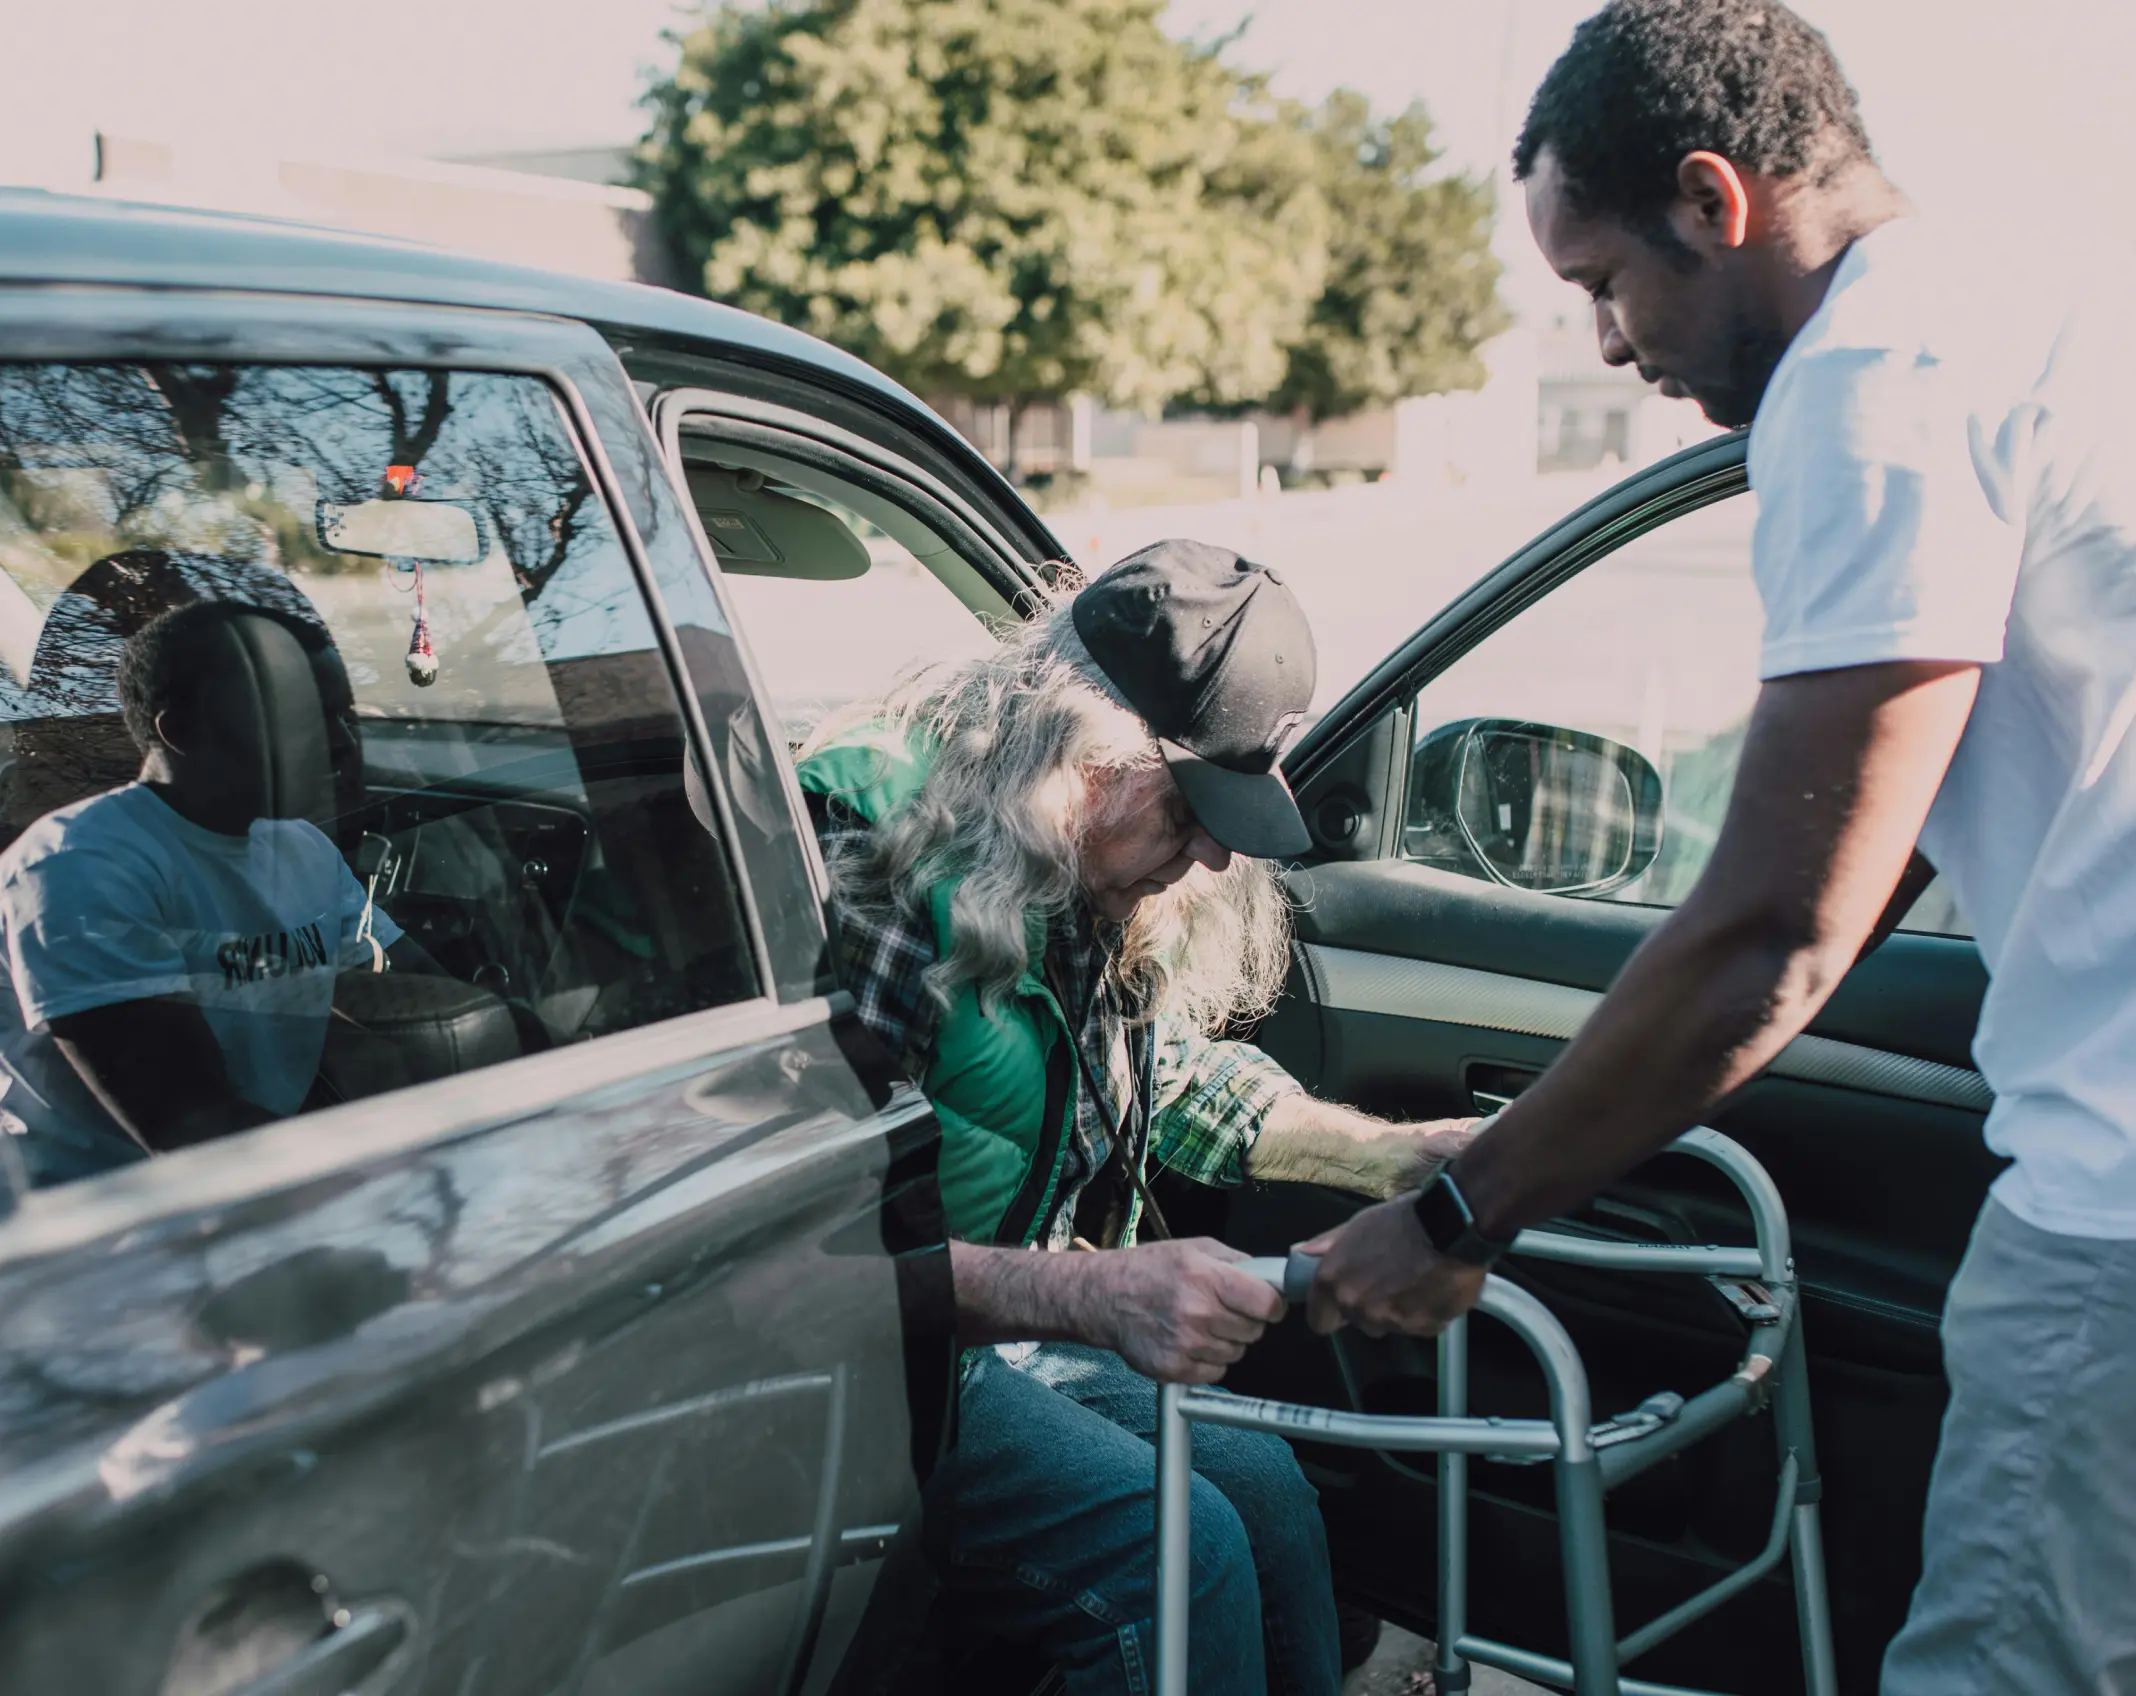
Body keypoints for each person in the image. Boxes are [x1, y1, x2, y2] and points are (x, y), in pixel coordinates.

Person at [1302, 3, 2136, 1689]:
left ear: (1712, 199)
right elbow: (1877, 838)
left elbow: (1780, 928)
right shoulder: (2026, 310)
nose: (1609, 343)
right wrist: (1560, 1114)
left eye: (1605, 282)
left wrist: (1463, 1209)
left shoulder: (1869, 386)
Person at [796, 540, 1475, 1696]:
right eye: (1196, 807)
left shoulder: (1065, 862)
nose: (1213, 851)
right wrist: (1090, 1288)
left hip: (1000, 1335)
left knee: (1263, 1487)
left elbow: (1150, 1077)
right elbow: (813, 1257)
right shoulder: (881, 860)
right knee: (1177, 1554)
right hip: (873, 1366)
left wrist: (1391, 1158)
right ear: (1082, 748)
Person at [0, 600, 421, 1178]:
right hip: (111, 1231)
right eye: (301, 714)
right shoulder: (77, 867)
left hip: (264, 1189)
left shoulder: (303, 847)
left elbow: (409, 1006)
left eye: (343, 715)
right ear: (181, 730)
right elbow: (193, 1130)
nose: (343, 743)